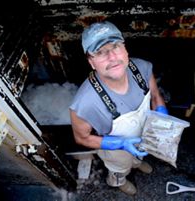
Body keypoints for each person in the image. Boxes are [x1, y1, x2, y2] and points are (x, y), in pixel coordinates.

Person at [69, 21, 168, 196]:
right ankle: (117, 181)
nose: (112, 57)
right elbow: (81, 138)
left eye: (115, 46)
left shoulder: (142, 68)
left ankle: (136, 163)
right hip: (115, 151)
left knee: (139, 155)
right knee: (120, 168)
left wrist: (161, 112)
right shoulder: (84, 104)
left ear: (125, 48)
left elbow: (155, 96)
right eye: (100, 52)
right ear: (91, 62)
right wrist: (119, 144)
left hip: (144, 134)